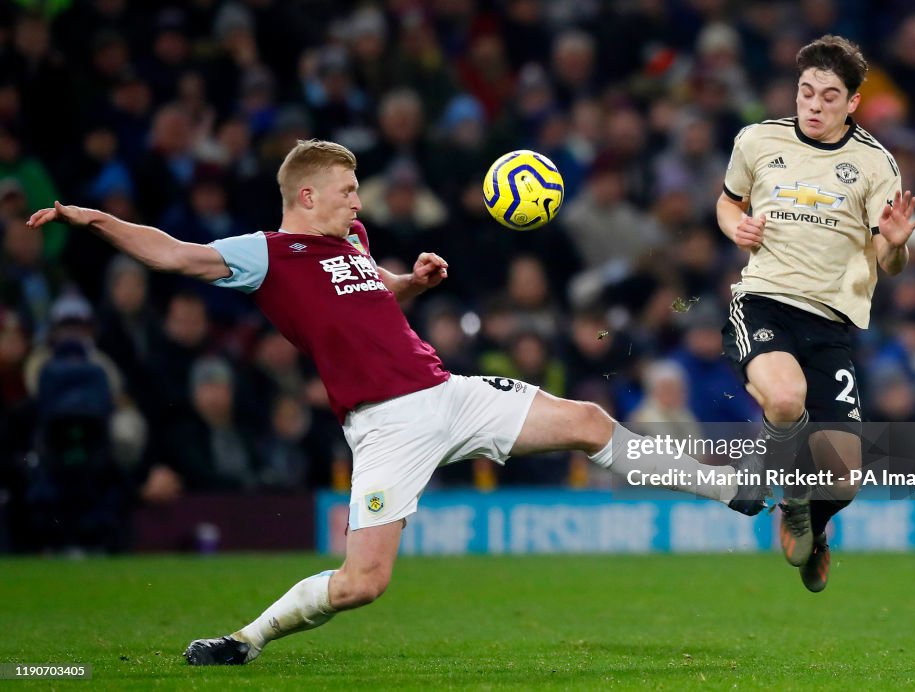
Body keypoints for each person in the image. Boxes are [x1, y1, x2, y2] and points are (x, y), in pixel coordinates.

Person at [27, 139, 768, 666]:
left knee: (588, 422)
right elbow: (174, 252)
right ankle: (244, 639)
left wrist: (411, 282)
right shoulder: (266, 253)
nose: (358, 200)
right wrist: (96, 221)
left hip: (447, 391)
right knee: (363, 585)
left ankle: (735, 491)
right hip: (385, 425)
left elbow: (369, 289)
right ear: (306, 195)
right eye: (347, 189)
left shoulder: (348, 238)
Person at [717, 35, 915, 592]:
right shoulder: (757, 141)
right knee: (785, 399)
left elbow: (890, 261)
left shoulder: (876, 165)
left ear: (853, 102)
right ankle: (769, 478)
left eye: (829, 96)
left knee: (847, 477)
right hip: (763, 301)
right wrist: (734, 226)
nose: (813, 105)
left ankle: (808, 512)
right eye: (806, 92)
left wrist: (898, 244)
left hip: (831, 325)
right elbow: (729, 199)